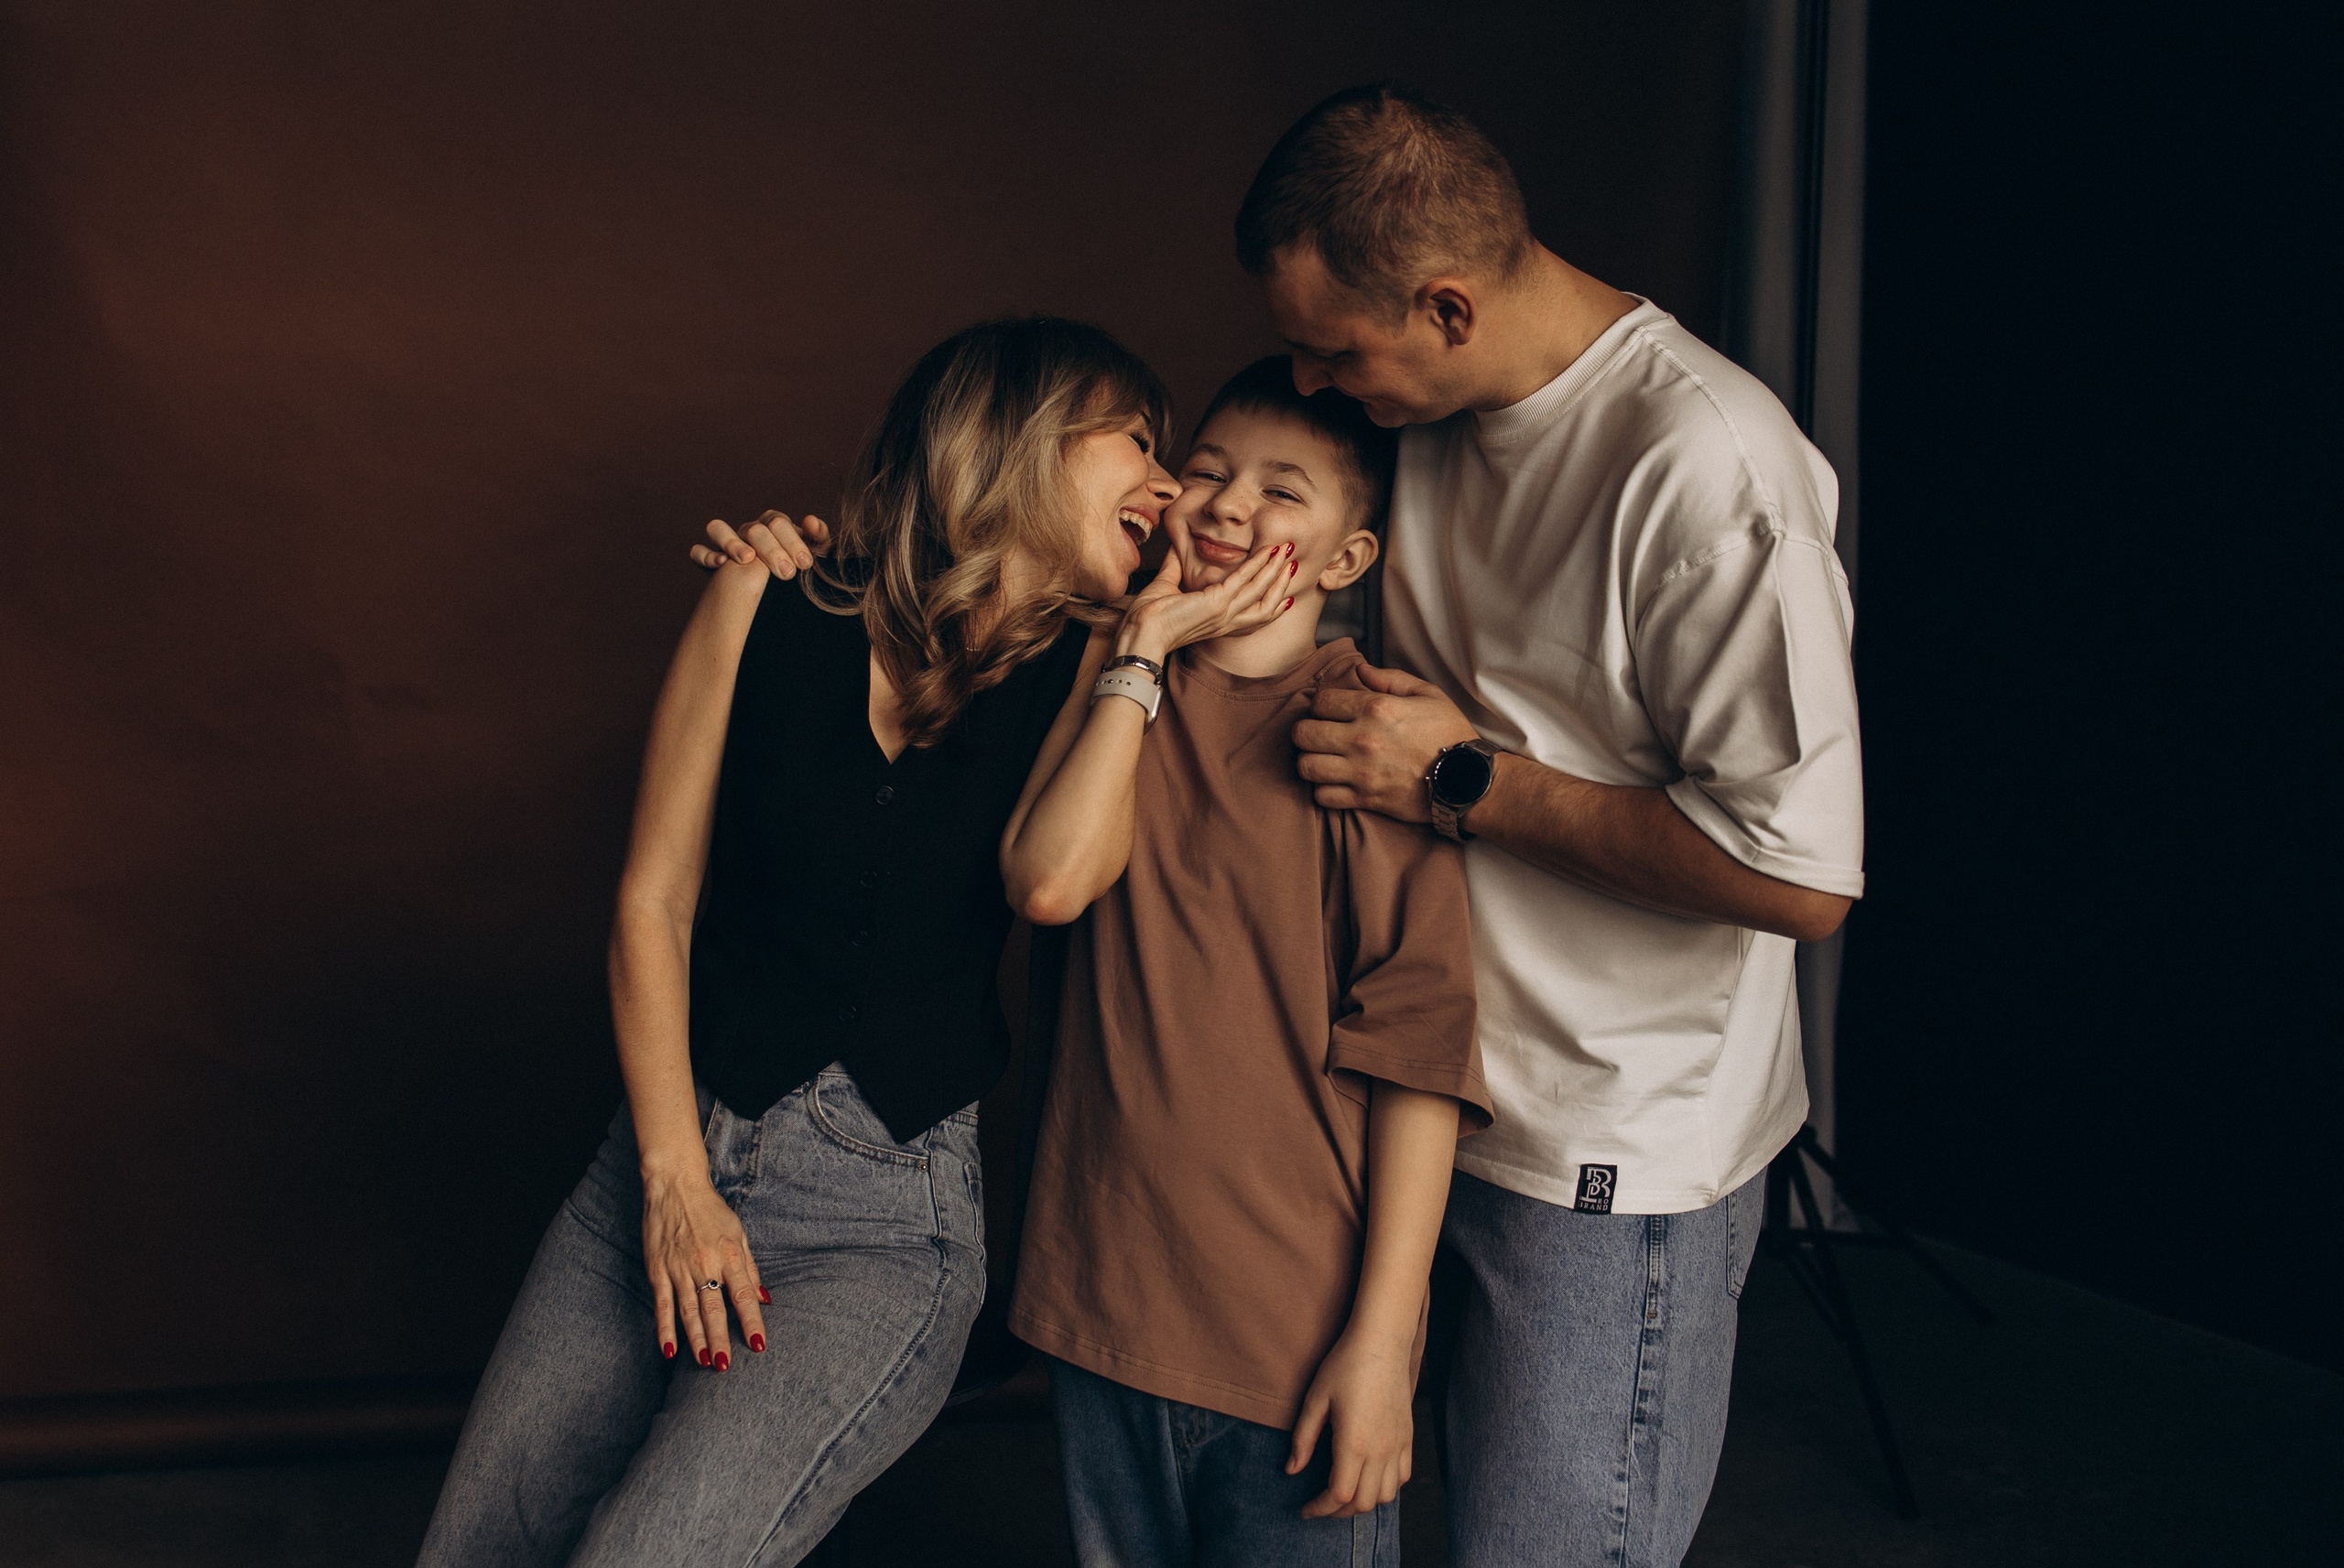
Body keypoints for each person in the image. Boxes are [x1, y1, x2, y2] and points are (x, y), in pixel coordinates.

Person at [416, 317, 1294, 1568]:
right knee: (475, 1550)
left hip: (879, 1233)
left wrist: (1145, 649)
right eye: (1140, 442)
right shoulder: (764, 595)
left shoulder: (1095, 672)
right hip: (654, 1171)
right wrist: (674, 1181)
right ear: (1021, 432)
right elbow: (652, 902)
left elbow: (1052, 883)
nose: (1165, 488)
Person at [1247, 84, 1867, 1567]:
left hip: (1610, 1147)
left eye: (1338, 348)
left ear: (1448, 306)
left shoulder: (1709, 468)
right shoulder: (1430, 413)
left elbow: (1803, 880)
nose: (1311, 382)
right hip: (1415, 1094)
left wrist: (1462, 777)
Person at [1001, 357, 1492, 1568]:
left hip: (1294, 1338)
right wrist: (1144, 640)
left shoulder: (1368, 734)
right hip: (1102, 1305)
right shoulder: (1119, 678)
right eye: (1208, 473)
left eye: (1281, 492)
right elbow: (1045, 879)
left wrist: (1385, 1344)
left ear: (1346, 559)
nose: (1226, 507)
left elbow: (1422, 1064)